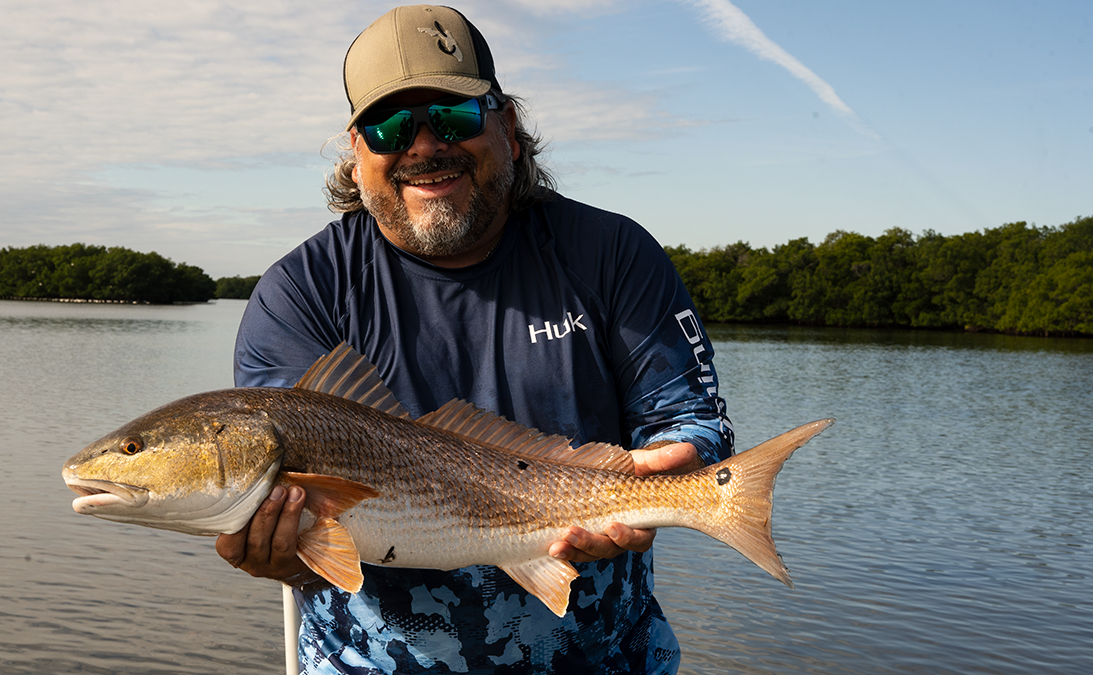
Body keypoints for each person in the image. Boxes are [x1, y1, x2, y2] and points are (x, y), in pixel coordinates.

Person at [217, 5, 733, 673]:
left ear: (509, 127)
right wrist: (275, 551)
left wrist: (660, 472)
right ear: (355, 152)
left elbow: (692, 419)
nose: (424, 147)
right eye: (390, 126)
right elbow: (312, 547)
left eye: (455, 117)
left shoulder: (612, 253)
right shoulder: (301, 293)